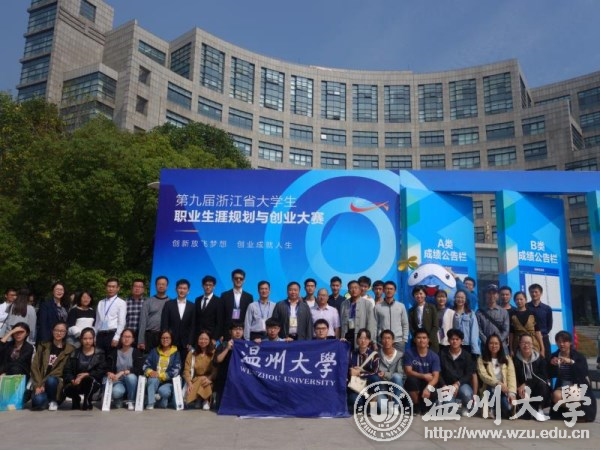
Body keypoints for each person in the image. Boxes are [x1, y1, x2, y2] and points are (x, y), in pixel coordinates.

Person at [548, 330, 597, 422]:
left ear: (570, 342)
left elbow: (583, 373)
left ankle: (577, 412)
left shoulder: (579, 356)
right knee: (556, 395)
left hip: (578, 386)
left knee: (571, 392)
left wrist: (571, 362)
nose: (561, 344)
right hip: (562, 387)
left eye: (564, 341)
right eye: (559, 341)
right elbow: (549, 374)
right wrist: (551, 364)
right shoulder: (554, 356)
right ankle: (572, 412)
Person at [30, 321, 74, 411]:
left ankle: (54, 400)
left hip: (56, 383)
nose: (59, 333)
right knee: (37, 401)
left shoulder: (69, 350)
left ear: (66, 333)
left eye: (62, 331)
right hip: (40, 381)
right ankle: (47, 401)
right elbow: (35, 366)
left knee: (51, 380)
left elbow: (60, 371)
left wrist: (44, 384)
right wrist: (38, 385)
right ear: (52, 331)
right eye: (56, 330)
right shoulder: (43, 346)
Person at [63, 327, 107, 410]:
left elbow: (101, 371)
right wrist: (72, 380)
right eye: (85, 338)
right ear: (81, 339)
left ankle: (87, 400)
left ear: (94, 339)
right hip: (76, 382)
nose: (87, 341)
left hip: (92, 382)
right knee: (66, 389)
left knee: (88, 380)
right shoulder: (74, 353)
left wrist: (86, 374)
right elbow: (67, 370)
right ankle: (76, 398)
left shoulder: (100, 353)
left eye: (90, 338)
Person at [477, 334, 516, 419]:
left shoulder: (507, 359)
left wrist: (511, 393)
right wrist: (497, 383)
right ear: (487, 345)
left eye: (496, 343)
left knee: (507, 409)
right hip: (489, 389)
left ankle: (499, 409)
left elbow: (511, 377)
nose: (493, 346)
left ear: (500, 345)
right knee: (492, 388)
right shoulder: (482, 359)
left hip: (504, 390)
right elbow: (483, 375)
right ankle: (490, 408)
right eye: (491, 343)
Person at [513, 334, 550, 421]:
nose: (526, 345)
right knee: (525, 417)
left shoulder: (540, 358)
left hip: (536, 389)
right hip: (522, 390)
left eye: (529, 343)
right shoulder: (514, 359)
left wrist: (526, 383)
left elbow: (543, 376)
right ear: (519, 344)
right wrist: (518, 386)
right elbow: (513, 376)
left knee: (542, 385)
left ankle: (540, 408)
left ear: (532, 344)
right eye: (523, 343)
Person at [403, 328, 440, 414]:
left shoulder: (434, 356)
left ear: (428, 340)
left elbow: (436, 377)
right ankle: (416, 406)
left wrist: (428, 388)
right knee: (410, 381)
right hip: (415, 383)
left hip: (428, 383)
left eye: (424, 338)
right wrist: (423, 376)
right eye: (419, 338)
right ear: (415, 340)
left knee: (433, 392)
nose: (421, 340)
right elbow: (408, 371)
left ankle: (426, 405)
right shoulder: (409, 353)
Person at [106, 328, 144, 410]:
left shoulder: (136, 352)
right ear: (121, 338)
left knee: (131, 377)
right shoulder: (114, 352)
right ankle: (119, 399)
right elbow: (107, 368)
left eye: (129, 337)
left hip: (132, 382)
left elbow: (139, 369)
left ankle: (131, 400)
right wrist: (109, 373)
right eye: (124, 336)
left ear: (133, 339)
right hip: (118, 381)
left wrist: (123, 372)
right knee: (116, 393)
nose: (126, 339)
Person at [439, 329, 475, 416]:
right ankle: (449, 403)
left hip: (462, 385)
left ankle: (465, 407)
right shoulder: (442, 354)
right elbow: (438, 373)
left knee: (467, 394)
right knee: (449, 408)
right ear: (448, 340)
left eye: (457, 339)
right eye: (452, 339)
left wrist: (458, 384)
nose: (454, 341)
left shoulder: (467, 356)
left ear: (461, 341)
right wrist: (444, 386)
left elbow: (469, 374)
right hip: (446, 385)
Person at [143, 330, 181, 409]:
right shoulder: (154, 351)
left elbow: (176, 371)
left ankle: (159, 399)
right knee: (152, 380)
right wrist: (150, 372)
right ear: (160, 339)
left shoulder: (176, 353)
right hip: (154, 379)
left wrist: (160, 375)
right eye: (163, 338)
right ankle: (151, 403)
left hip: (168, 382)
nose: (165, 340)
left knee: (163, 392)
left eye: (167, 338)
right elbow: (145, 365)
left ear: (171, 339)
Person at [161, 279, 195, 362]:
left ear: (188, 291)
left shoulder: (192, 306)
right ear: (176, 289)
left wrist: (190, 341)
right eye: (180, 288)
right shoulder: (168, 304)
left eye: (184, 288)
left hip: (185, 343)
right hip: (171, 341)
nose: (182, 290)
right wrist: (166, 339)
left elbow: (193, 325)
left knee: (184, 364)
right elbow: (164, 323)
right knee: (169, 363)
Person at [347, 328, 380, 413]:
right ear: (357, 340)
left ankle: (372, 407)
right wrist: (351, 371)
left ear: (369, 340)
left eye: (366, 338)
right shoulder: (351, 354)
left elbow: (375, 372)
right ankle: (365, 405)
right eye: (361, 338)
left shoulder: (374, 355)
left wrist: (359, 373)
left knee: (375, 378)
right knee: (356, 402)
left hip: (370, 387)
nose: (363, 341)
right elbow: (348, 370)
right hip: (356, 387)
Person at [213, 321, 244, 409]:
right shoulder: (223, 344)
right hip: (225, 378)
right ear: (230, 331)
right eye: (235, 329)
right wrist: (227, 348)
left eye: (240, 329)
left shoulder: (246, 345)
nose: (238, 332)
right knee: (222, 406)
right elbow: (218, 360)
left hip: (240, 379)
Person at [183, 330, 217, 410]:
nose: (203, 341)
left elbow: (215, 370)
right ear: (197, 340)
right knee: (201, 379)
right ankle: (200, 398)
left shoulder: (214, 353)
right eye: (201, 339)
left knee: (205, 380)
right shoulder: (192, 353)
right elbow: (186, 370)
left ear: (210, 340)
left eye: (206, 339)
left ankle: (206, 400)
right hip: (196, 379)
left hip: (210, 379)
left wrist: (210, 378)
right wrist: (189, 382)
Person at [340, 280, 376, 349]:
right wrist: (342, 336)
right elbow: (341, 321)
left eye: (356, 288)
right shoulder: (344, 304)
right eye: (351, 288)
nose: (354, 290)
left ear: (360, 290)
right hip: (347, 335)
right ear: (348, 291)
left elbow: (371, 323)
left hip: (361, 337)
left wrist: (370, 339)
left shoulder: (367, 304)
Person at [138, 276, 170, 352]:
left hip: (164, 336)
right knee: (147, 357)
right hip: (149, 336)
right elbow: (143, 322)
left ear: (167, 286)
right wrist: (141, 340)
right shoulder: (148, 302)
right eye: (159, 284)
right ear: (155, 286)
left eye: (163, 284)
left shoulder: (171, 303)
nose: (161, 286)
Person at [374, 281, 408, 351]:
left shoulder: (401, 306)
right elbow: (374, 325)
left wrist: (404, 339)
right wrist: (374, 342)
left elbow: (405, 323)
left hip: (398, 341)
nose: (389, 291)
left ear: (395, 291)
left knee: (399, 358)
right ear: (383, 291)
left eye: (391, 289)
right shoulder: (377, 307)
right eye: (387, 289)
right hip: (383, 341)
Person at [95, 278, 127, 354]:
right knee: (98, 358)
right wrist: (95, 335)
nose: (111, 289)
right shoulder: (101, 302)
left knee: (111, 358)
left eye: (113, 287)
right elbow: (97, 321)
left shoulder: (121, 302)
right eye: (109, 286)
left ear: (118, 288)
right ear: (106, 287)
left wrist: (117, 337)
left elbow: (122, 322)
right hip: (100, 334)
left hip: (112, 334)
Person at [476, 284, 509, 355]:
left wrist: (497, 342)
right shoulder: (479, 312)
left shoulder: (504, 312)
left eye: (494, 293)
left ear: (498, 295)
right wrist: (488, 342)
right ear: (485, 295)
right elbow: (479, 330)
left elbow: (506, 330)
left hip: (501, 346)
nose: (491, 295)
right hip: (485, 346)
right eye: (489, 293)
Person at [509, 291, 544, 357]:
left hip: (532, 343)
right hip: (517, 344)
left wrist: (542, 349)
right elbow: (511, 333)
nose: (519, 301)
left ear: (526, 300)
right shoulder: (512, 314)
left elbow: (537, 332)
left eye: (521, 299)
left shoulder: (532, 313)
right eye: (517, 299)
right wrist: (511, 349)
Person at [220, 269, 253, 338]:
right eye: (236, 278)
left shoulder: (249, 297)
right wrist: (221, 334)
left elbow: (250, 317)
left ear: (244, 280)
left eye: (241, 278)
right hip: (227, 332)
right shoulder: (224, 295)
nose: (238, 280)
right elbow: (221, 316)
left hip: (243, 333)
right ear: (232, 279)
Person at [526, 283, 553, 362]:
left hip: (543, 338)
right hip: (529, 339)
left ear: (541, 293)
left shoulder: (547, 308)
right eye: (532, 292)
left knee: (546, 361)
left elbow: (549, 325)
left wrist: (542, 334)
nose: (534, 294)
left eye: (536, 292)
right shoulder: (525, 307)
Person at [408, 285, 439, 353]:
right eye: (416, 294)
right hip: (417, 343)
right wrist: (417, 339)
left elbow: (435, 326)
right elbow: (411, 327)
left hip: (431, 343)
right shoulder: (411, 311)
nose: (419, 296)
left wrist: (427, 339)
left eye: (421, 293)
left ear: (425, 295)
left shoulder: (432, 307)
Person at [377, 330, 404, 403]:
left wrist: (385, 374)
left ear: (393, 340)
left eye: (389, 338)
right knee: (381, 406)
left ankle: (396, 406)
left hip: (396, 386)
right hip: (382, 387)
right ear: (381, 340)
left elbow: (401, 374)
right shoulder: (376, 354)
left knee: (397, 377)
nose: (386, 341)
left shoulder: (400, 355)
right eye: (384, 338)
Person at [452, 289, 481, 357]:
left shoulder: (470, 313)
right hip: (454, 345)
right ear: (455, 299)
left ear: (465, 300)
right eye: (458, 297)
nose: (460, 299)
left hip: (467, 345)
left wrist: (475, 350)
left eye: (462, 298)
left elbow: (474, 332)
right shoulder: (451, 312)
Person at [194, 275, 222, 343]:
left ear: (214, 286)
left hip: (211, 337)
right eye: (206, 285)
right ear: (202, 286)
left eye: (210, 285)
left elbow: (219, 322)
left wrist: (215, 338)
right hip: (198, 336)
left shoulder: (218, 301)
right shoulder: (198, 300)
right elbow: (195, 319)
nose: (208, 287)